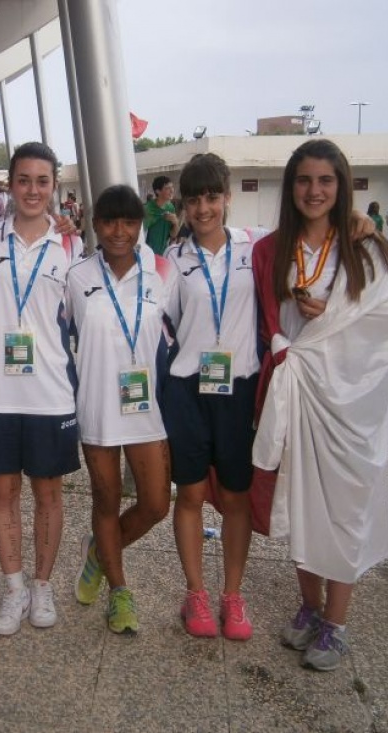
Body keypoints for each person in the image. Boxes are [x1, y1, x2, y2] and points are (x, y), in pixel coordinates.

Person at [251, 138, 388, 672]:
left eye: (325, 181)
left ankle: (336, 623)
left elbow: (386, 328)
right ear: (290, 186)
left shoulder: (365, 250)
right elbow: (270, 316)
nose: (313, 191)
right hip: (300, 394)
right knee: (301, 505)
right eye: (303, 180)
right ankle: (310, 606)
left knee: (343, 509)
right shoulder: (276, 248)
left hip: (348, 403)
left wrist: (331, 342)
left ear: (341, 187)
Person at [0, 142, 82, 636]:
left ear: (54, 185)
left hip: (50, 391)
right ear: (10, 184)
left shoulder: (72, 245)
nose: (33, 190)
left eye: (42, 181)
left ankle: (42, 585)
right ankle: (13, 588)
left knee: (49, 494)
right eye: (23, 180)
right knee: (3, 492)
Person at [161, 153, 265, 641]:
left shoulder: (254, 247)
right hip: (188, 387)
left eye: (211, 197)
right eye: (193, 199)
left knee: (236, 494)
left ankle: (233, 595)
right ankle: (196, 594)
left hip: (238, 388)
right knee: (192, 493)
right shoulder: (174, 261)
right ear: (183, 203)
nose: (203, 208)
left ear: (227, 196)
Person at [66, 184, 176, 635]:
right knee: (106, 500)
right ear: (96, 225)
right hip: (96, 408)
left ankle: (100, 551)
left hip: (145, 409)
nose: (119, 231)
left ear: (140, 225)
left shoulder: (161, 275)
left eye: (129, 222)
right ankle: (119, 591)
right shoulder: (75, 276)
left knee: (155, 505)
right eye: (109, 221)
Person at [143, 176, 180, 255]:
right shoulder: (147, 210)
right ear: (158, 191)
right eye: (167, 188)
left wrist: (175, 223)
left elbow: (173, 234)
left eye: (172, 187)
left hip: (164, 253)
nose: (172, 191)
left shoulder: (170, 207)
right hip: (148, 255)